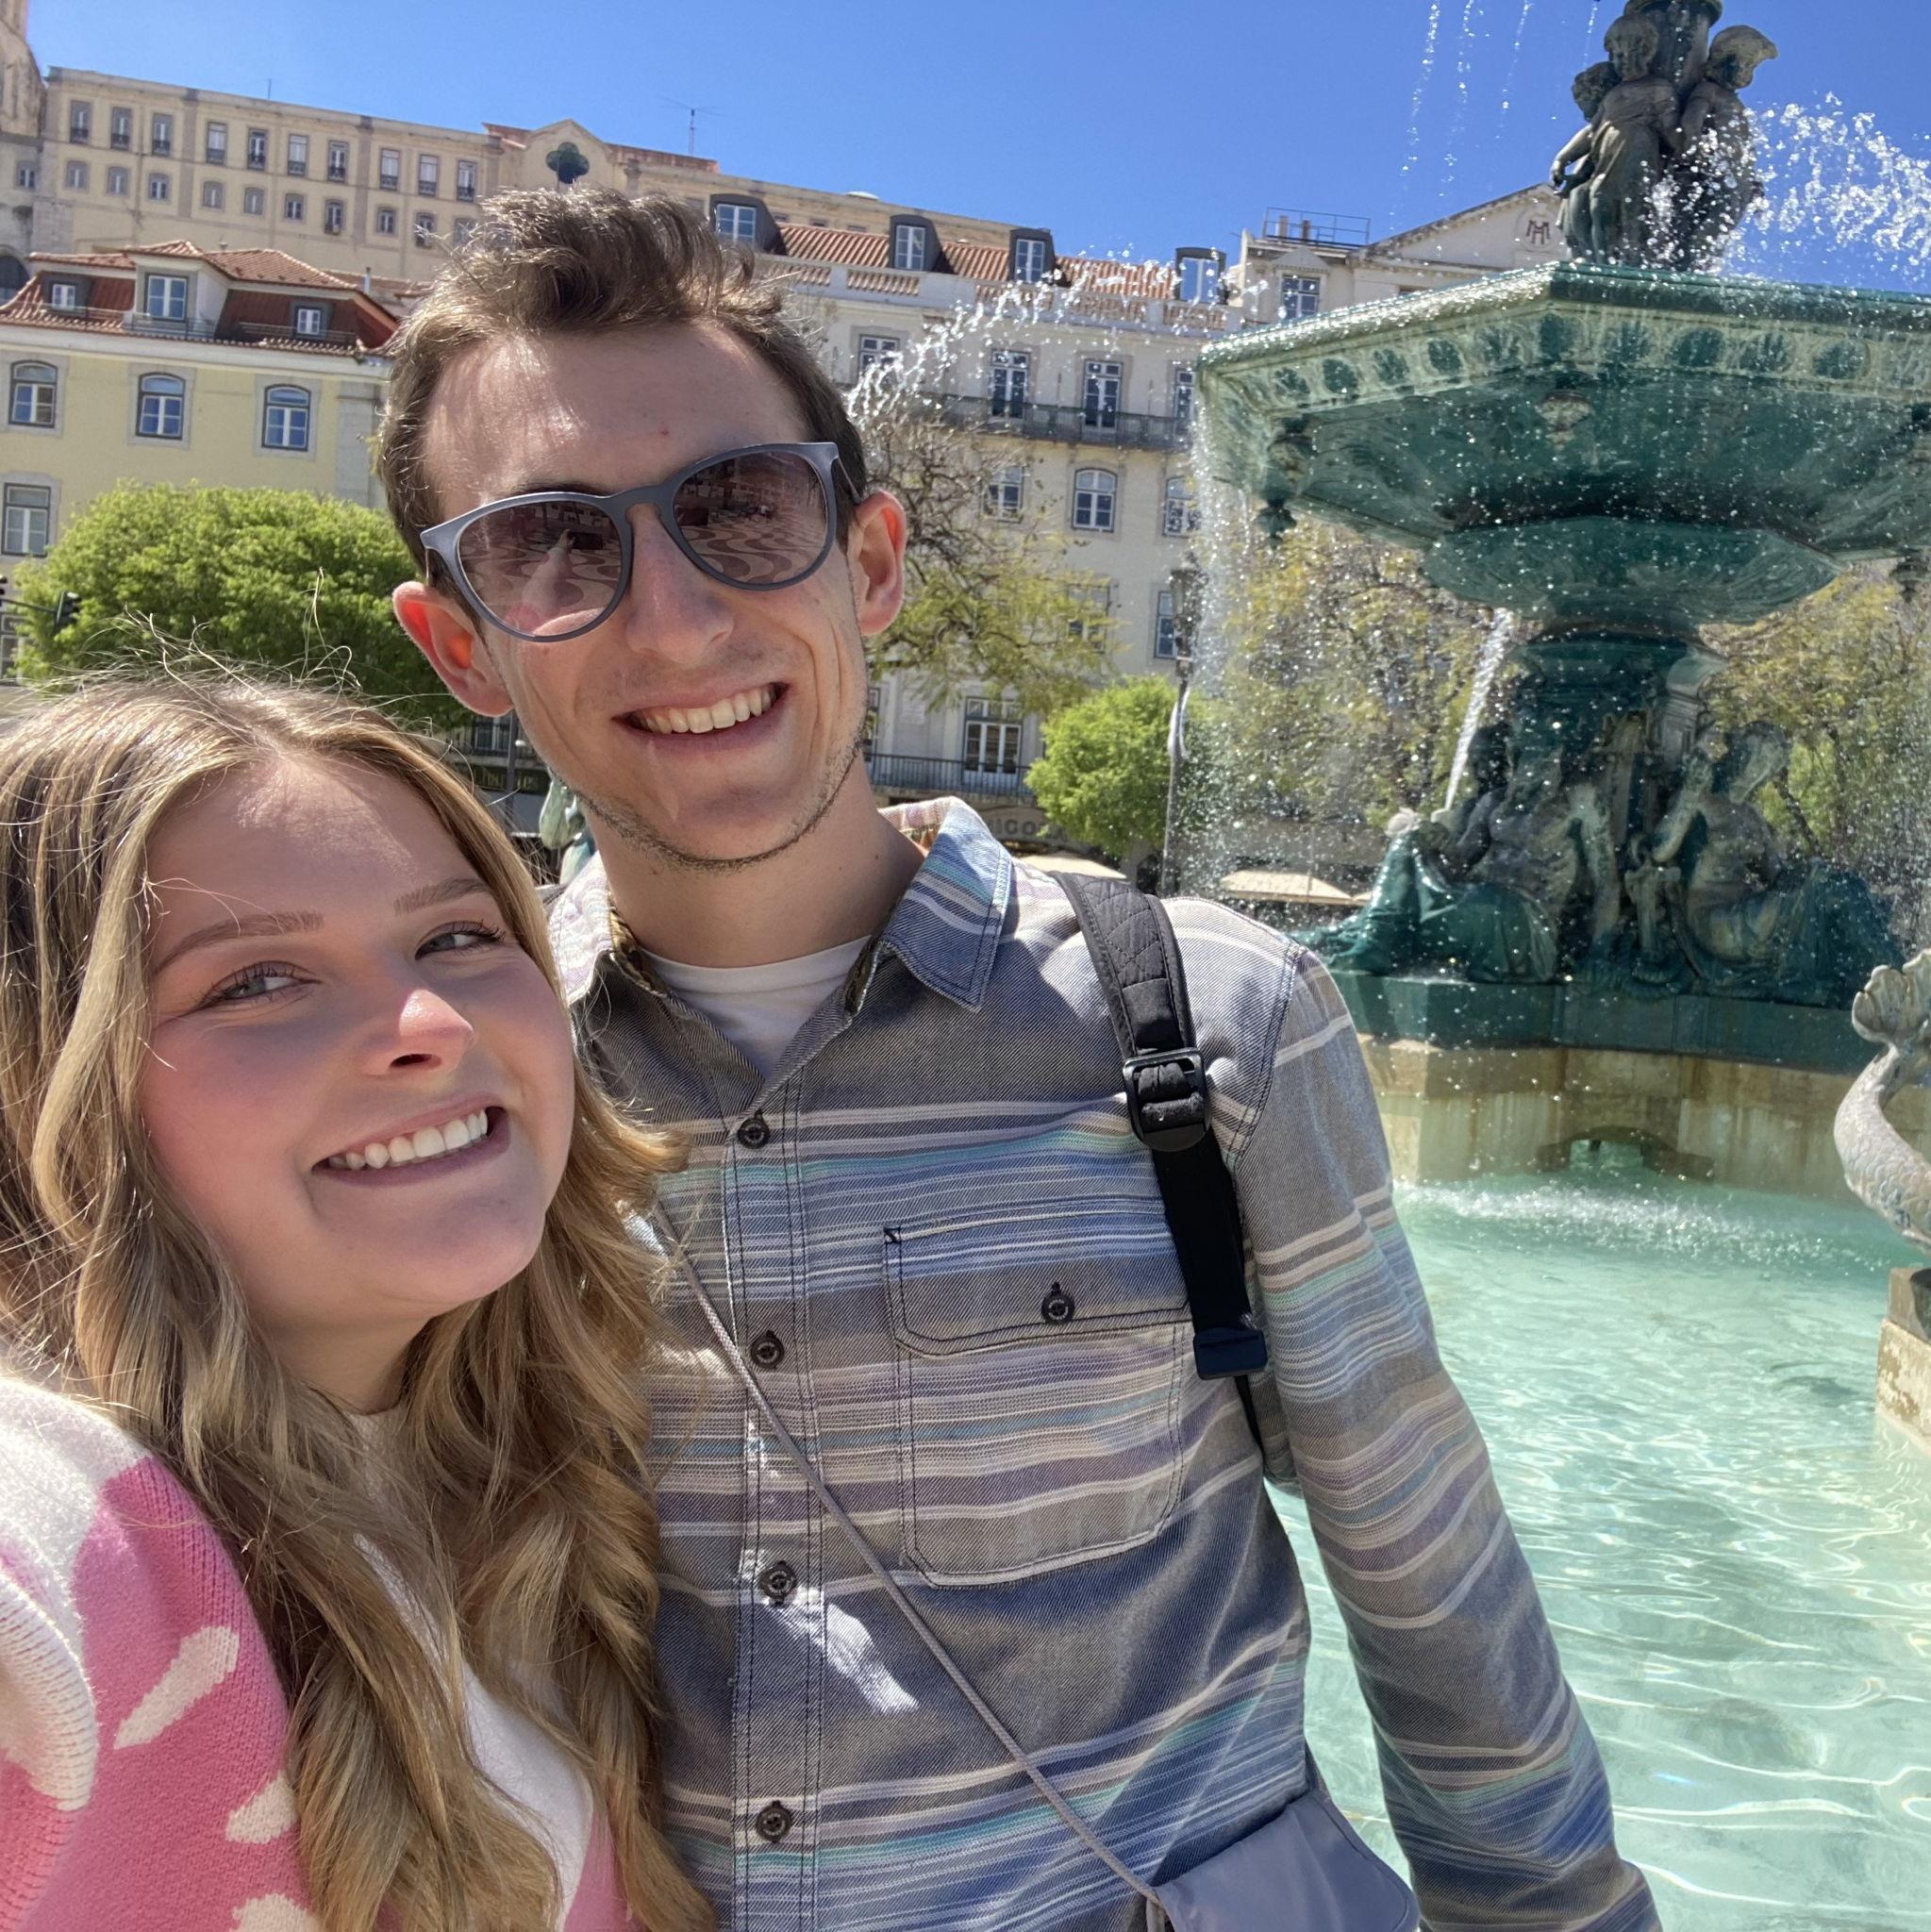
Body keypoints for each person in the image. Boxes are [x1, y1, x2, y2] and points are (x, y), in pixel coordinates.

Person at [385, 190, 1660, 1931]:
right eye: (553, 546)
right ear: (462, 643)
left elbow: (1427, 1571)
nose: (674, 620)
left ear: (871, 562)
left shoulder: (1219, 1019)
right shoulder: (442, 1090)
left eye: (741, 508)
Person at [0, 678, 711, 1932]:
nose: (430, 1023)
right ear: (44, 1076)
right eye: (258, 980)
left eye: (457, 938)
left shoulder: (567, 1466)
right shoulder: (66, 1542)